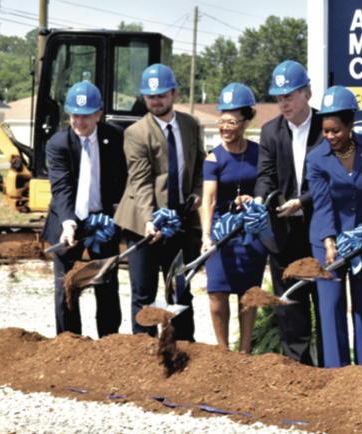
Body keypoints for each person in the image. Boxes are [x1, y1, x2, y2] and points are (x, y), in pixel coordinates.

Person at [114, 63, 204, 341]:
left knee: (180, 287)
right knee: (144, 292)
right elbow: (140, 182)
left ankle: (183, 348)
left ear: (174, 94)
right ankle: (144, 352)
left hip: (181, 220)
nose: (156, 101)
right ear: (145, 98)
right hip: (144, 223)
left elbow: (200, 162)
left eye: (162, 95)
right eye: (151, 96)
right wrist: (149, 220)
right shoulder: (136, 133)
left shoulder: (190, 124)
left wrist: (198, 190)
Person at [306, 86, 362, 369]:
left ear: (350, 124)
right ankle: (337, 373)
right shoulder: (316, 159)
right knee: (331, 307)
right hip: (327, 241)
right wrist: (330, 243)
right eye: (326, 131)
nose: (330, 136)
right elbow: (321, 205)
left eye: (336, 130)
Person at [41, 81, 127, 338]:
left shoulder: (115, 137)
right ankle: (69, 341)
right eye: (74, 115)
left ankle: (109, 341)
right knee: (66, 285)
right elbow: (62, 188)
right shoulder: (58, 144)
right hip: (68, 222)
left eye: (86, 115)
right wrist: (68, 224)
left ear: (99, 114)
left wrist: (118, 209)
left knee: (107, 283)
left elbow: (122, 178)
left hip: (103, 222)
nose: (79, 121)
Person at [253, 60, 324, 366]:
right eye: (278, 98)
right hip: (282, 231)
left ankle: (329, 364)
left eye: (288, 96)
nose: (282, 103)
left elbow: (331, 181)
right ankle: (298, 367)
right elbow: (265, 175)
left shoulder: (326, 128)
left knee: (323, 299)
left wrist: (302, 201)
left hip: (318, 229)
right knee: (289, 303)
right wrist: (260, 198)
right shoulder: (269, 131)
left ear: (307, 94)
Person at [201, 83, 267, 354]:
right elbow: (209, 200)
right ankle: (222, 352)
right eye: (222, 121)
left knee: (249, 295)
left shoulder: (260, 153)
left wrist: (255, 200)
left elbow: (266, 186)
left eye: (232, 121)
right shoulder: (213, 158)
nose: (225, 127)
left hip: (251, 234)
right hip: (220, 233)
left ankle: (244, 353)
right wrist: (206, 236)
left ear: (246, 121)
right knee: (217, 293)